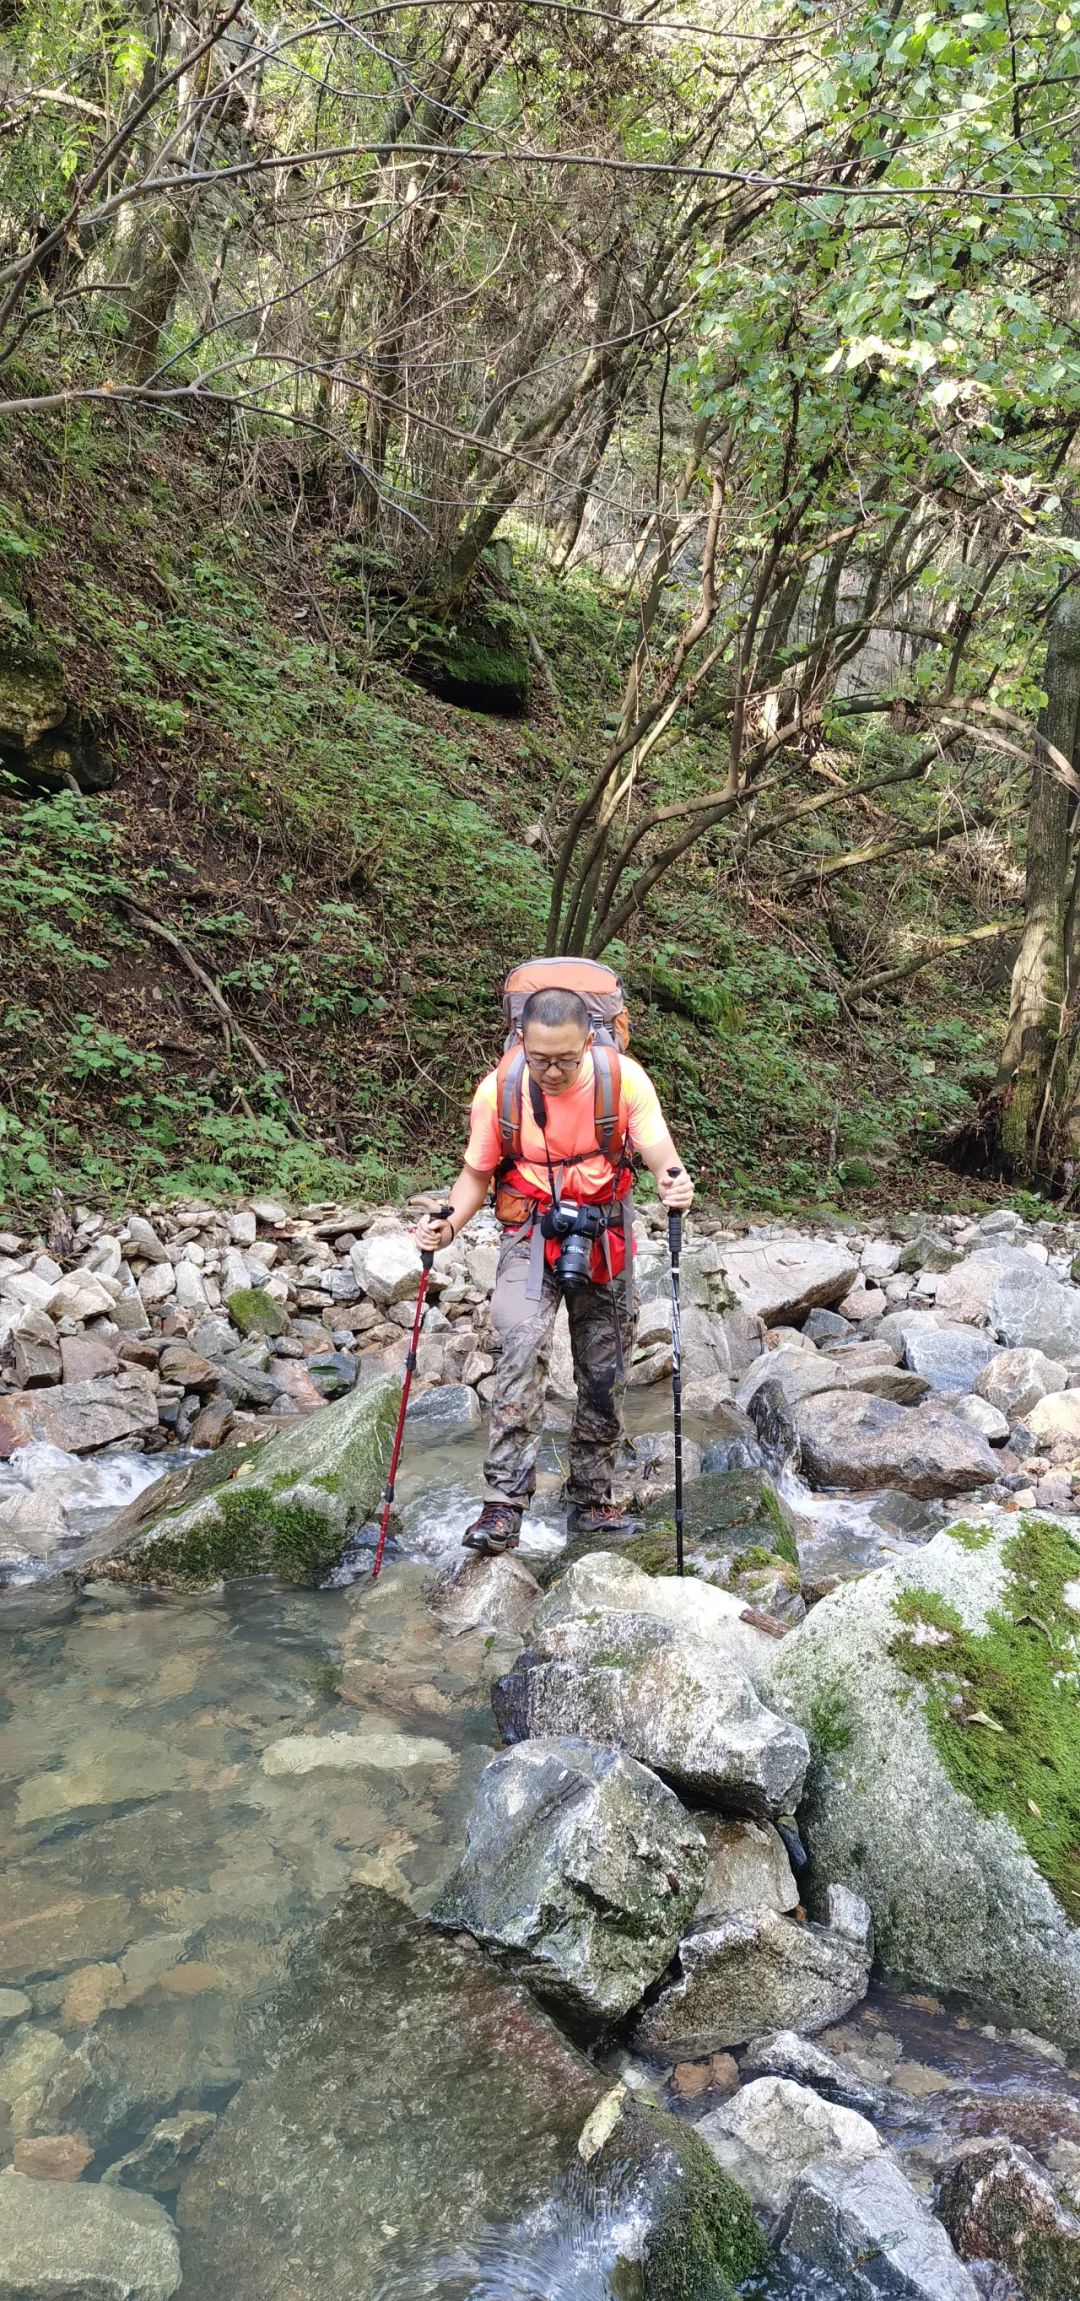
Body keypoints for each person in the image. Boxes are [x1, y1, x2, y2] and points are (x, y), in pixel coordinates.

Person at [414, 986, 694, 1555]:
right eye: (540, 1058)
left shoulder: (624, 1080)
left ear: (589, 1041)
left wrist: (674, 1181)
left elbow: (661, 1154)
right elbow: (476, 1174)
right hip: (528, 1228)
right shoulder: (500, 1090)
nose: (552, 1071)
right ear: (521, 1040)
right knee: (519, 1345)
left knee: (606, 1364)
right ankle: (503, 1507)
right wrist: (447, 1229)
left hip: (604, 1231)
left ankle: (591, 1498)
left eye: (566, 1059)